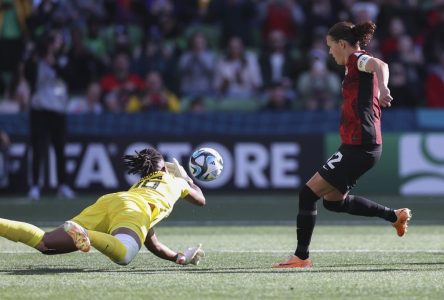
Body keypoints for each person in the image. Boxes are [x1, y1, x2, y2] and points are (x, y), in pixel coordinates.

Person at [273, 21, 412, 269]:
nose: (329, 52)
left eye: (330, 47)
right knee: (334, 202)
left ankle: (301, 257)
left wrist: (384, 88)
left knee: (307, 194)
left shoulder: (357, 59)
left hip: (361, 146)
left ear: (342, 44)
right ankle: (394, 216)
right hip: (359, 145)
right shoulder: (353, 65)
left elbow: (380, 64)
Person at [0, 147, 206, 266]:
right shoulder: (176, 181)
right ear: (163, 168)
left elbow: (151, 241)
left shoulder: (138, 185)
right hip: (136, 209)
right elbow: (201, 200)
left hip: (115, 200)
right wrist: (187, 179)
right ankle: (87, 235)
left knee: (46, 244)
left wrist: (178, 257)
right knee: (124, 255)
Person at [25, 30, 75, 200]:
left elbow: (70, 77)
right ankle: (34, 186)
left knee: (60, 149)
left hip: (58, 111)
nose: (58, 44)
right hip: (39, 110)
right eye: (54, 41)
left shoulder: (64, 59)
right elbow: (27, 74)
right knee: (38, 148)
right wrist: (38, 57)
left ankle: (63, 185)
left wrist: (53, 64)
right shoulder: (36, 60)